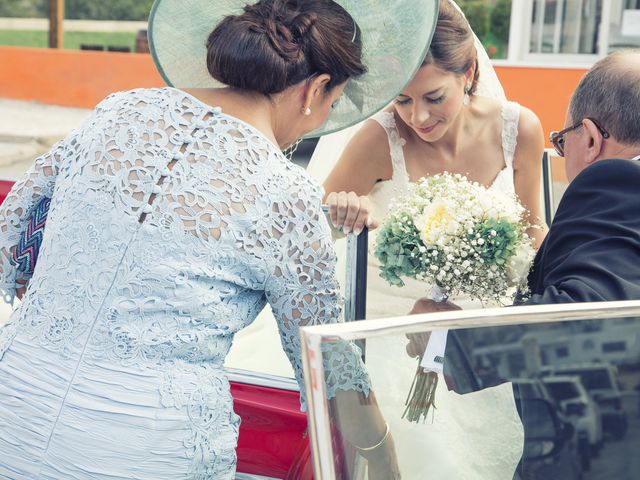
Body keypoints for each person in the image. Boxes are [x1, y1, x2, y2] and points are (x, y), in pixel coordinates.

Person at [0, 0, 439, 477]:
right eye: (334, 103)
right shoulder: (286, 192)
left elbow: (17, 232)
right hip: (150, 446)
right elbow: (325, 365)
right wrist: (377, 449)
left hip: (15, 402)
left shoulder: (117, 109)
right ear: (315, 89)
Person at [314, 0, 546, 317]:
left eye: (434, 97)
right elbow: (314, 230)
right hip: (388, 317)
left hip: (484, 316)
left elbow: (532, 229)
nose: (417, 116)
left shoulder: (519, 129)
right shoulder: (378, 139)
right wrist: (346, 212)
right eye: (402, 100)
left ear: (469, 74)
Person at [523, 49, 640, 305]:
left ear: (590, 139)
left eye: (562, 140)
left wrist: (445, 330)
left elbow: (578, 315)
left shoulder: (615, 184)